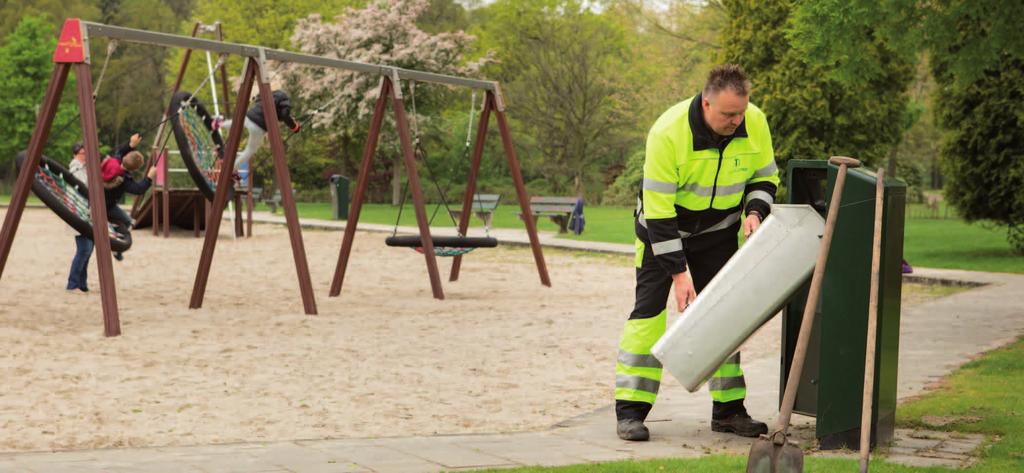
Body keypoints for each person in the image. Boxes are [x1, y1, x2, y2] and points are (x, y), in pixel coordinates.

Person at [615, 64, 780, 441]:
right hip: (662, 231)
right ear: (705, 103)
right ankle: (630, 412)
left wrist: (755, 212)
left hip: (718, 234)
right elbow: (658, 212)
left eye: (740, 112)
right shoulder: (667, 132)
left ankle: (729, 411)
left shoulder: (754, 121)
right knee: (648, 315)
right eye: (727, 114)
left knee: (725, 315)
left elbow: (764, 178)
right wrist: (678, 273)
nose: (737, 121)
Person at [99, 133, 157, 260]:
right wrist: (149, 177)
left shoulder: (115, 161)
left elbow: (121, 151)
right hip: (106, 206)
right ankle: (115, 247)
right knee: (125, 222)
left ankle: (113, 237)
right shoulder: (124, 180)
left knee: (125, 220)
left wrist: (131, 144)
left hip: (101, 201)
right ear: (135, 169)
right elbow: (139, 189)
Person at [220, 90, 300, 171]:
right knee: (250, 150)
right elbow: (284, 115)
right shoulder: (285, 100)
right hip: (258, 126)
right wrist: (294, 127)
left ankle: (220, 124)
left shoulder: (270, 93)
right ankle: (231, 168)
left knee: (236, 124)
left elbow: (258, 98)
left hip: (250, 115)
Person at [66, 142, 93, 292]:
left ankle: (82, 283)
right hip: (79, 214)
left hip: (87, 214)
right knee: (84, 249)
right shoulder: (75, 169)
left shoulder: (85, 168)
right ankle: (73, 283)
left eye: (85, 154)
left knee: (87, 250)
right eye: (82, 154)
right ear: (76, 155)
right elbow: (83, 187)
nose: (85, 157)